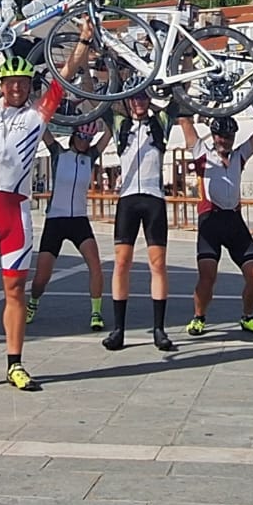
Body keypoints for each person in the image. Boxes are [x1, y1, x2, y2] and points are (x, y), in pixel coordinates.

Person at [0, 21, 92, 393]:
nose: (16, 88)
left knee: (15, 292)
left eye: (23, 84)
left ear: (30, 87)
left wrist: (83, 39)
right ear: (1, 85)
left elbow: (66, 73)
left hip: (16, 216)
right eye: (11, 83)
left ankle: (15, 363)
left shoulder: (36, 116)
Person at [103, 85, 178, 353]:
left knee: (158, 264)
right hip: (127, 200)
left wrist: (184, 55)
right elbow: (98, 99)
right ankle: (118, 329)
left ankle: (159, 328)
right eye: (134, 97)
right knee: (122, 262)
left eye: (143, 96)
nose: (139, 102)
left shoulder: (161, 121)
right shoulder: (120, 122)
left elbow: (179, 97)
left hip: (154, 198)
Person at [180, 115, 253, 337]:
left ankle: (247, 317)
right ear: (214, 135)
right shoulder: (202, 152)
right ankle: (198, 318)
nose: (224, 140)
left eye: (229, 136)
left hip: (234, 221)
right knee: (208, 276)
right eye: (220, 135)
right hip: (211, 220)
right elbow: (185, 122)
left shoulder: (239, 156)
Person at [28, 119, 111, 332]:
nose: (84, 142)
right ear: (74, 136)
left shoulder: (90, 157)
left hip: (79, 220)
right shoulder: (58, 154)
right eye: (81, 137)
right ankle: (33, 302)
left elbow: (109, 132)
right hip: (56, 219)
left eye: (88, 138)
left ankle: (96, 312)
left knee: (95, 264)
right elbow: (42, 127)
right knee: (41, 277)